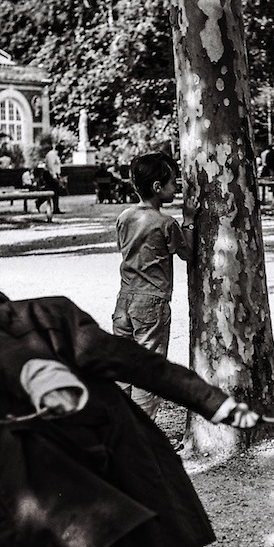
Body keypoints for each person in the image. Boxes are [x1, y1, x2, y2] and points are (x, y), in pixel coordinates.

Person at [0, 218, 258, 547]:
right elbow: (135, 362)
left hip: (8, 507)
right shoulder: (49, 313)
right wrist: (215, 402)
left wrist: (37, 375)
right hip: (80, 492)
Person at [113, 152, 196, 420]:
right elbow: (188, 253)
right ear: (158, 187)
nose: (177, 187)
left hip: (125, 300)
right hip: (152, 303)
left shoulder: (125, 217)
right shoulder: (166, 223)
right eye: (173, 182)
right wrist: (189, 221)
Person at [42, 144, 63, 214]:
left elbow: (57, 166)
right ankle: (55, 208)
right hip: (48, 174)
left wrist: (58, 175)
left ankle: (55, 208)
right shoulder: (51, 155)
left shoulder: (56, 156)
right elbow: (51, 167)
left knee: (54, 190)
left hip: (53, 174)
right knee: (53, 190)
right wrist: (54, 177)